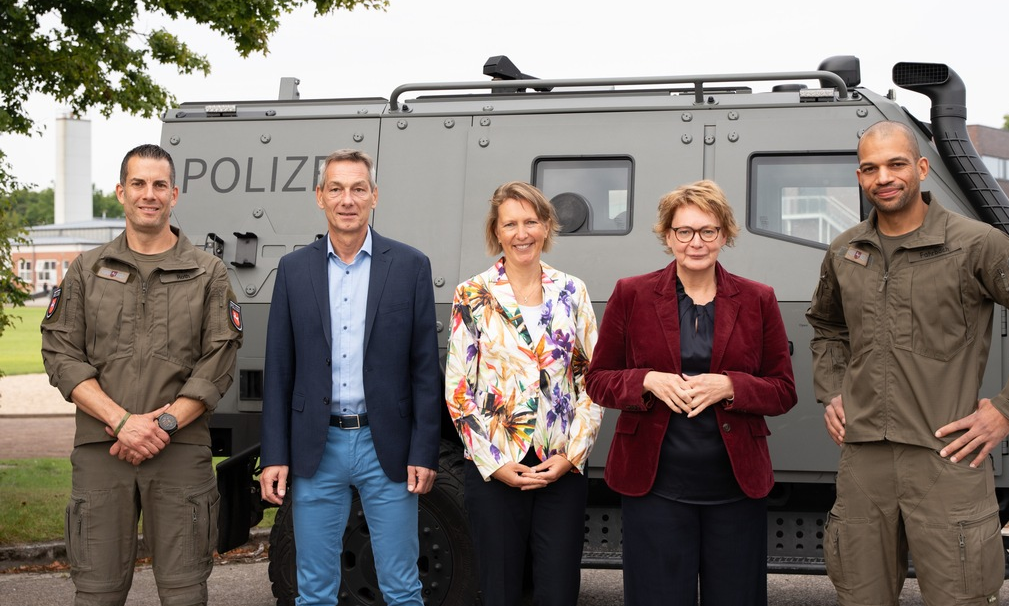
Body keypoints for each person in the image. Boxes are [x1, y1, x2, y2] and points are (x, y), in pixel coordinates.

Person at [806, 121, 1009, 605]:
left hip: (946, 458)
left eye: (895, 164)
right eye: (870, 168)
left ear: (921, 167)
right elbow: (827, 326)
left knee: (960, 595)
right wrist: (832, 391)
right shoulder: (846, 251)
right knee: (859, 596)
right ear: (859, 176)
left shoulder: (976, 244)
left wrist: (1007, 408)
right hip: (863, 458)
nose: (883, 177)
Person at [41, 144, 243, 606]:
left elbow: (220, 357)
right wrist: (121, 422)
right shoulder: (87, 270)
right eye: (138, 183)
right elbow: (61, 353)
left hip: (180, 449)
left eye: (158, 185)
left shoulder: (207, 272)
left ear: (174, 194)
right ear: (120, 192)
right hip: (101, 450)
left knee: (185, 593)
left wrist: (163, 424)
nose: (148, 194)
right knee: (96, 593)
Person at [587, 180, 797, 606]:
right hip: (655, 487)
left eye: (707, 231)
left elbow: (783, 391)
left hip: (736, 488)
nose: (695, 242)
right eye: (684, 231)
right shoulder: (631, 293)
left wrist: (731, 386)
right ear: (668, 236)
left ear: (725, 235)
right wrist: (646, 380)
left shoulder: (759, 298)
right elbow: (598, 379)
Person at [258, 149, 442, 606]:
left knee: (402, 587)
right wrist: (274, 454)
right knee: (314, 591)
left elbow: (424, 369)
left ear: (374, 196)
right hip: (315, 449)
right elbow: (279, 368)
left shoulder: (410, 266)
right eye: (336, 189)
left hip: (389, 447)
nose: (347, 199)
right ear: (319, 196)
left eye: (358, 188)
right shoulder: (293, 270)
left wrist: (424, 451)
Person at [445, 181, 603, 606]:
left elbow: (594, 380)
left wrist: (572, 455)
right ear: (496, 231)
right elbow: (458, 389)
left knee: (558, 591)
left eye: (531, 222)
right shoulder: (472, 295)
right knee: (499, 591)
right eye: (510, 223)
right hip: (497, 468)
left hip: (561, 468)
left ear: (547, 226)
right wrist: (494, 464)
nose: (522, 233)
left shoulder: (573, 291)